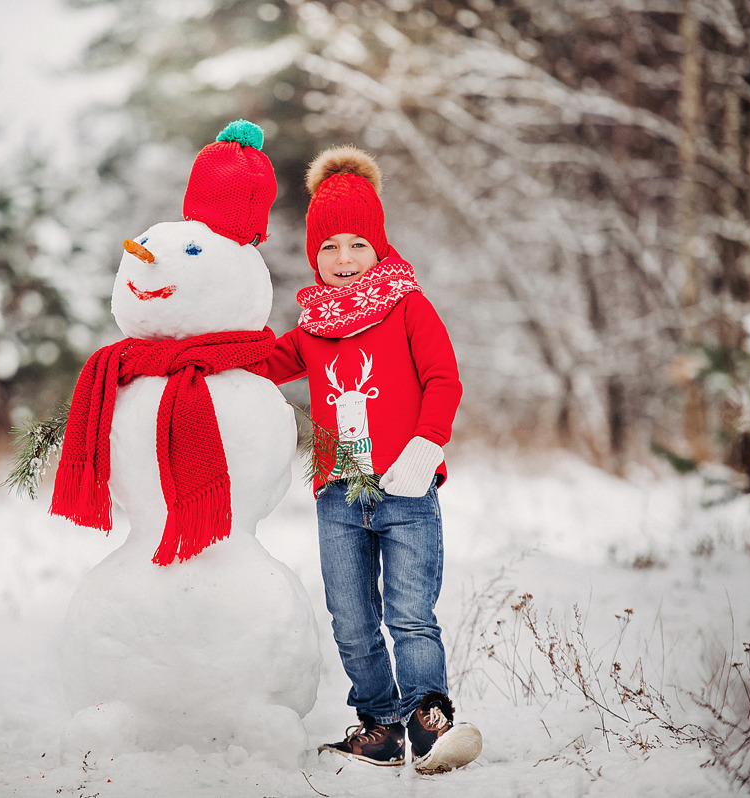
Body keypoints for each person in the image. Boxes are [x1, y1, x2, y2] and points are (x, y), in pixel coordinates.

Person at [265, 145, 478, 772]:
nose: (343, 259)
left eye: (357, 244)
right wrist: (199, 350)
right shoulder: (313, 325)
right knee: (351, 619)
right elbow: (265, 363)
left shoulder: (408, 306)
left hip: (407, 487)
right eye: (329, 247)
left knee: (411, 615)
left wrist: (426, 442)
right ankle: (380, 725)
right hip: (339, 493)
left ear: (378, 245)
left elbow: (444, 379)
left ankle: (429, 719)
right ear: (314, 254)